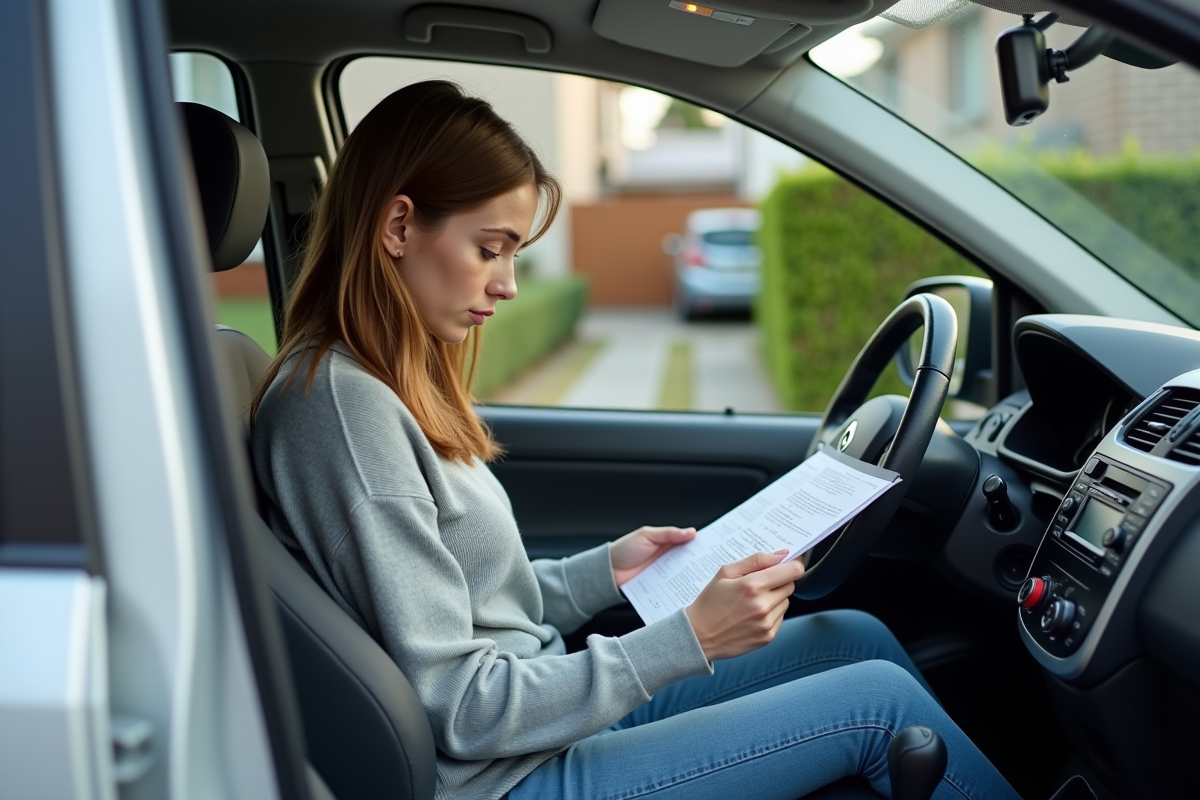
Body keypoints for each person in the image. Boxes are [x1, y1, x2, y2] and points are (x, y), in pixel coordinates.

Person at [250, 80, 1021, 800]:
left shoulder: (378, 386)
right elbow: (458, 704)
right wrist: (685, 639)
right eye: (490, 248)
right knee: (877, 705)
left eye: (514, 254)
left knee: (853, 635)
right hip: (506, 776)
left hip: (539, 717)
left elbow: (469, 605)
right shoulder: (343, 412)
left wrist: (605, 573)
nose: (509, 283)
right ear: (397, 226)